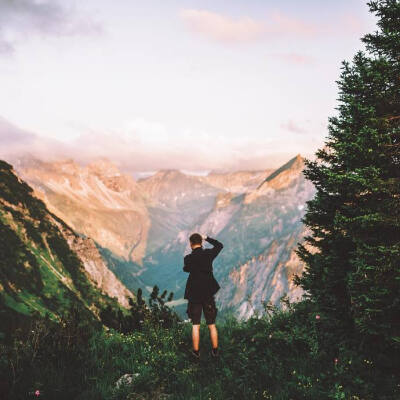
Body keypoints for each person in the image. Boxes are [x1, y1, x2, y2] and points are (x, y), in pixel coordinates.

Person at [183, 233, 223, 359]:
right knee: (211, 324)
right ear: (201, 242)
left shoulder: (188, 258)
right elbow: (219, 245)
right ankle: (215, 351)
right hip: (207, 294)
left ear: (191, 244)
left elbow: (186, 269)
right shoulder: (208, 254)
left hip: (194, 295)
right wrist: (207, 238)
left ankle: (196, 353)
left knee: (196, 325)